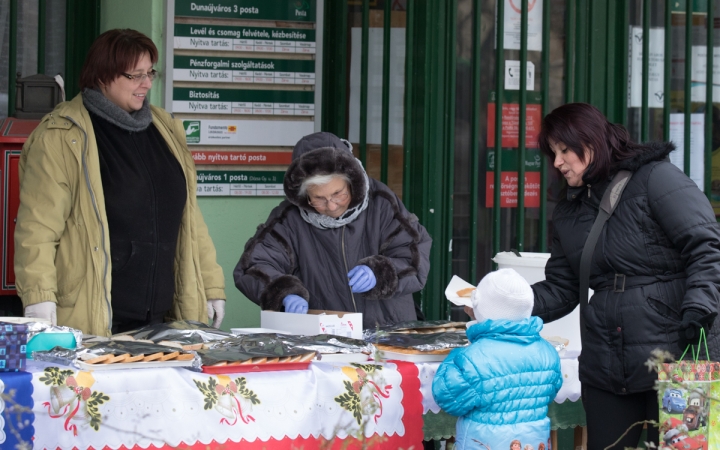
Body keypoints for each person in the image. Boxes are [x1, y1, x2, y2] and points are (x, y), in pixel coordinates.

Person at [531, 102, 720, 449]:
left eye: (564, 150)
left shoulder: (654, 178)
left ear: (590, 142)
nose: (557, 162)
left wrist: (699, 306)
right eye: (552, 153)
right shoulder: (569, 211)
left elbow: (707, 246)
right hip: (606, 364)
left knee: (683, 447)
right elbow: (562, 287)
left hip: (679, 353)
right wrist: (506, 302)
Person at [14, 29, 226, 336]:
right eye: (135, 75)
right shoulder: (61, 136)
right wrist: (39, 299)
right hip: (98, 319)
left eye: (150, 72)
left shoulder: (164, 128)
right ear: (103, 76)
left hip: (166, 321)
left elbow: (190, 220)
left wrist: (210, 284)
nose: (147, 83)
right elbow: (38, 229)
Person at [234, 132, 431, 328]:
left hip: (389, 331)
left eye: (338, 194)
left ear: (351, 183)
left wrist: (381, 273)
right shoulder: (288, 218)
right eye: (318, 199)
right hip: (323, 335)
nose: (332, 206)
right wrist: (283, 292)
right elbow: (254, 266)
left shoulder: (381, 203)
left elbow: (414, 255)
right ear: (304, 196)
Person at [432, 268, 562, 450]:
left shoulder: (472, 358)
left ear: (479, 309)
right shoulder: (548, 352)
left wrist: (455, 356)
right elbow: (551, 392)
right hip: (532, 442)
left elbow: (448, 397)